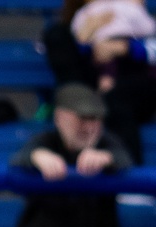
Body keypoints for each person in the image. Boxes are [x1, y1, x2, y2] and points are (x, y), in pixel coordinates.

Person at [0, 83, 152, 227]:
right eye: (83, 118)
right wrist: (36, 156)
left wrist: (107, 158)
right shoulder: (45, 142)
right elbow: (18, 160)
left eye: (96, 119)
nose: (90, 127)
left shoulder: (107, 143)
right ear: (60, 118)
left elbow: (125, 160)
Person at [43, 0, 156, 164]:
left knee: (114, 102)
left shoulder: (135, 16)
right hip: (90, 95)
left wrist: (126, 48)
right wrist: (88, 37)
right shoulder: (78, 23)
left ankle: (131, 182)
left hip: (132, 92)